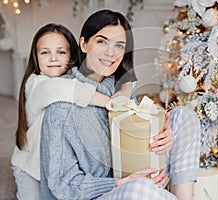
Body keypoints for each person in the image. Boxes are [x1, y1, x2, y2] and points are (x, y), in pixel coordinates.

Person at [40, 10, 200, 200]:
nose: (111, 52)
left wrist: (163, 136)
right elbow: (63, 185)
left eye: (119, 45)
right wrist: (122, 183)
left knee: (185, 116)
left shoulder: (117, 89)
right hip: (95, 194)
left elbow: (135, 139)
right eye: (101, 41)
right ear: (83, 44)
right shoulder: (61, 108)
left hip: (133, 179)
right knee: (138, 189)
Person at [11, 23, 133, 200]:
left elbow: (123, 81)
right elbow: (61, 89)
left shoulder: (71, 77)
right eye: (45, 52)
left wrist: (123, 91)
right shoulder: (36, 83)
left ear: (72, 55)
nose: (53, 58)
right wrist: (108, 102)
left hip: (56, 164)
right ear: (35, 58)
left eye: (61, 52)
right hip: (30, 166)